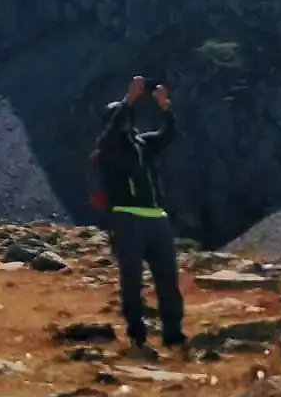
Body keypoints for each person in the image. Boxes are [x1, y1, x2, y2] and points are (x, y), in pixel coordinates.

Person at [87, 75, 184, 354]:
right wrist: (128, 100)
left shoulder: (143, 144)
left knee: (167, 277)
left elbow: (169, 135)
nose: (128, 122)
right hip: (127, 217)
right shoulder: (108, 147)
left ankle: (173, 333)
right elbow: (112, 129)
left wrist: (166, 109)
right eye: (123, 117)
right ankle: (137, 333)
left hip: (156, 217)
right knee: (132, 278)